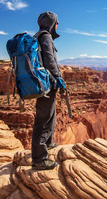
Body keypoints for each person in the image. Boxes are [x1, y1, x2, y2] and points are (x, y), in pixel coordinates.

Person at [32, 11, 66, 170]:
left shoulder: (41, 36)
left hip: (46, 83)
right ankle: (39, 159)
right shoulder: (45, 37)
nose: (58, 25)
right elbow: (49, 60)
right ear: (52, 22)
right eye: (57, 22)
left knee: (50, 114)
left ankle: (48, 142)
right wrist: (59, 77)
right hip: (46, 83)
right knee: (43, 118)